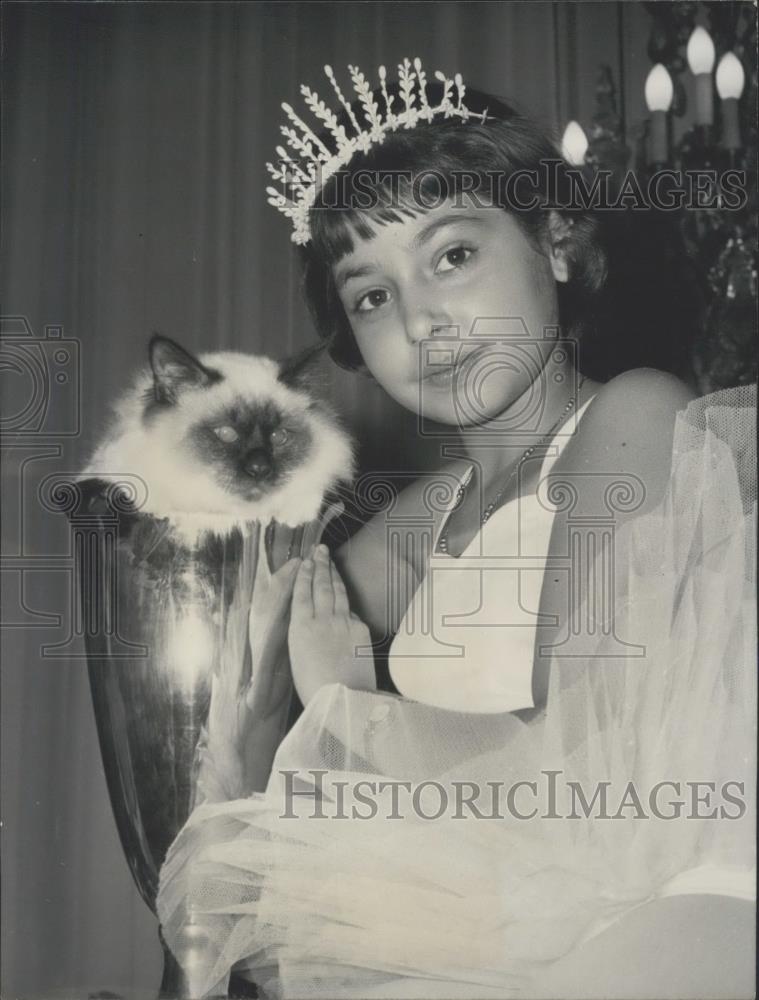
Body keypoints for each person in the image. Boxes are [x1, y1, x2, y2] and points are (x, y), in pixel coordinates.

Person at [156, 60, 756, 999]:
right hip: (472, 939)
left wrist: (354, 713)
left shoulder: (631, 418)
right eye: (372, 296)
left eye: (451, 255)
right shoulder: (414, 525)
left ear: (555, 240)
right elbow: (248, 725)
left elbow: (592, 767)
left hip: (633, 931)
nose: (424, 319)